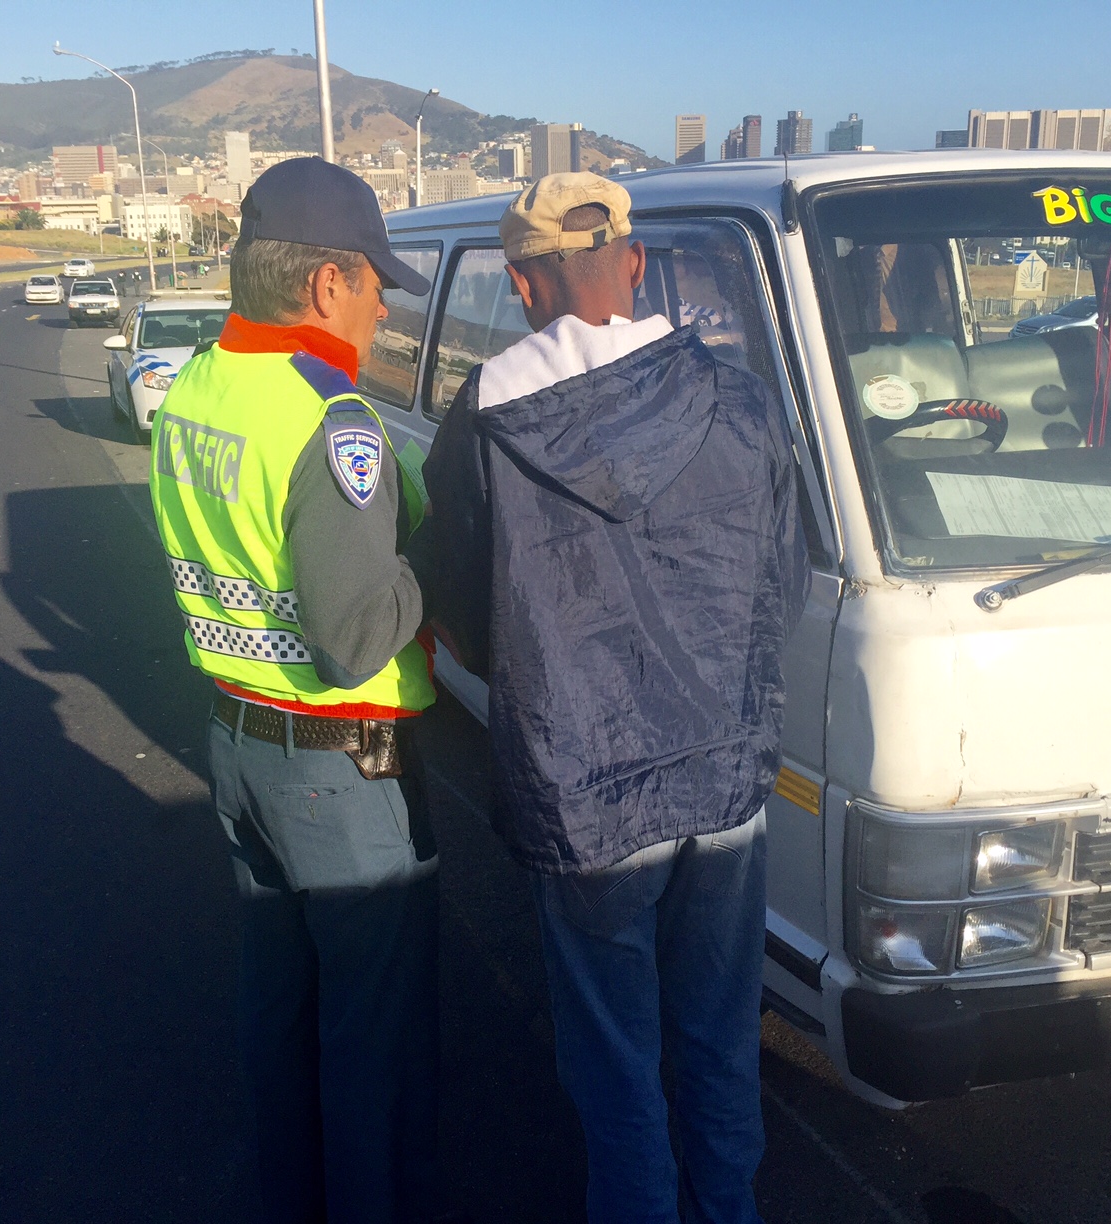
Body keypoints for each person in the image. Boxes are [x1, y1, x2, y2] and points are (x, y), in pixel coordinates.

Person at [418, 174, 806, 1224]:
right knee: (719, 1048)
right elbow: (784, 580)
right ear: (635, 265)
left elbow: (456, 604)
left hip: (583, 803)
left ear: (520, 281)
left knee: (617, 1073)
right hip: (724, 788)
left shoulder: (488, 419)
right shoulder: (737, 397)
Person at [148, 157, 449, 1224]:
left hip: (238, 748)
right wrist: (440, 556)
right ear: (327, 284)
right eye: (377, 287)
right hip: (339, 771)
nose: (382, 313)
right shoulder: (336, 423)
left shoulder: (195, 385)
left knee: (276, 1016)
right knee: (373, 1045)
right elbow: (356, 635)